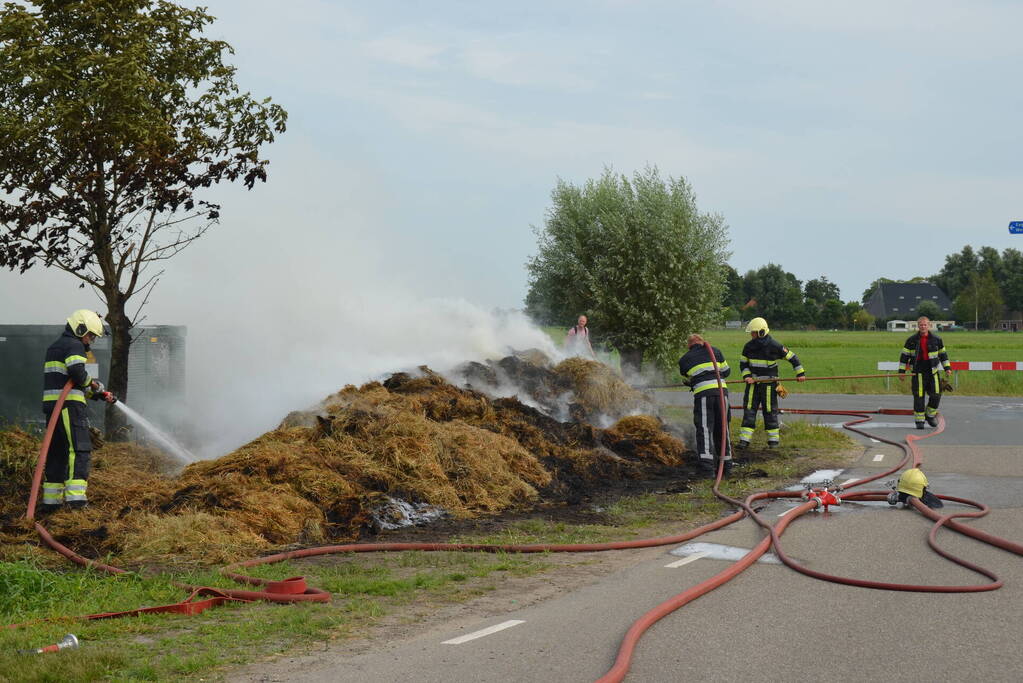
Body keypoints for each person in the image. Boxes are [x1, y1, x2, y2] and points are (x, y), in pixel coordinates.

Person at [40, 310, 116, 512]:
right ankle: (77, 502)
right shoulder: (74, 345)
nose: (90, 340)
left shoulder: (55, 346)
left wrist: (97, 393)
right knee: (79, 449)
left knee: (57, 452)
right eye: (90, 335)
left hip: (54, 408)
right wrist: (94, 384)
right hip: (69, 408)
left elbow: (71, 382)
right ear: (80, 328)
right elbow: (77, 373)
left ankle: (51, 504)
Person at [738, 317, 806, 448]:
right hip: (752, 384)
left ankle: (773, 442)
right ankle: (744, 441)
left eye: (753, 333)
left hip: (769, 385)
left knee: (769, 411)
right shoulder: (748, 347)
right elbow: (743, 364)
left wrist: (800, 373)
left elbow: (793, 357)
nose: (752, 335)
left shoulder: (774, 345)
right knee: (749, 411)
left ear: (761, 332)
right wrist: (746, 376)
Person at [678, 333, 733, 475]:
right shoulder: (716, 351)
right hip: (722, 393)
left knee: (704, 428)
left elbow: (688, 374)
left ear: (689, 345)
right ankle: (726, 466)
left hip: (704, 394)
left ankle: (707, 468)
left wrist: (695, 381)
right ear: (702, 342)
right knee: (723, 428)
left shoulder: (685, 358)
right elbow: (726, 372)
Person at [897, 316, 951, 429]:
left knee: (936, 395)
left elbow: (943, 355)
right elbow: (904, 357)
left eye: (925, 325)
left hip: (933, 372)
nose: (923, 326)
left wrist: (947, 368)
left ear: (929, 326)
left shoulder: (937, 339)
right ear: (918, 326)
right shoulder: (911, 340)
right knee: (919, 397)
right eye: (921, 325)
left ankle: (929, 415)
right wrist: (901, 372)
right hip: (918, 373)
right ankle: (919, 421)